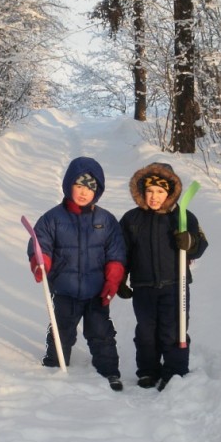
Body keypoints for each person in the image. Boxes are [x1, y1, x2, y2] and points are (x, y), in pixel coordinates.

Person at [26, 156, 126, 391]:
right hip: (65, 289)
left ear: (97, 191)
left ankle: (109, 371)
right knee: (61, 330)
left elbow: (116, 252)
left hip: (96, 290)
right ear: (69, 185)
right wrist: (41, 263)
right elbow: (40, 244)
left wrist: (113, 278)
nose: (83, 192)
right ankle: (54, 366)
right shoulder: (53, 218)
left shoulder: (106, 220)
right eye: (79, 185)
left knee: (101, 333)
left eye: (90, 188)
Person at [119, 162, 208, 391]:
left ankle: (175, 372)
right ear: (141, 192)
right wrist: (120, 279)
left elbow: (200, 244)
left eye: (160, 191)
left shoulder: (183, 216)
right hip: (143, 286)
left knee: (174, 330)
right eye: (149, 191)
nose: (154, 196)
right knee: (147, 333)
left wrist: (190, 242)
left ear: (170, 191)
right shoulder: (132, 219)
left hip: (175, 285)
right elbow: (122, 253)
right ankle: (148, 371)